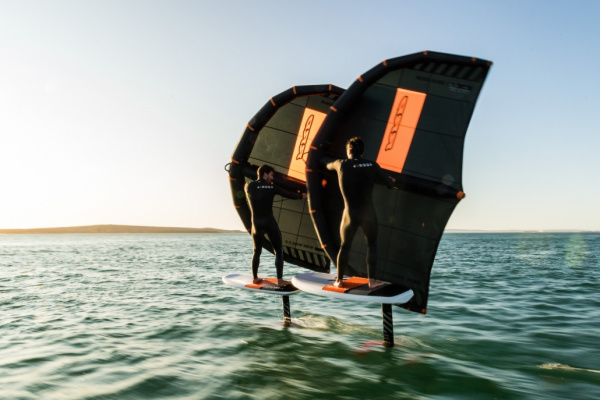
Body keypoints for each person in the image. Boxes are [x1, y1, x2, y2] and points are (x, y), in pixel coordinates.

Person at [324, 137, 396, 289]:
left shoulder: (341, 164)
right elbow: (390, 185)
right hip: (368, 214)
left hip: (350, 214)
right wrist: (391, 180)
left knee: (345, 246)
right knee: (372, 246)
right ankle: (372, 281)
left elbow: (326, 164)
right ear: (362, 152)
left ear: (349, 151)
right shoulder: (372, 165)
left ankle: (339, 281)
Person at [245, 164, 305, 285]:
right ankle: (280, 280)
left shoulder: (249, 186)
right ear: (265, 174)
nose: (272, 178)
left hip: (256, 224)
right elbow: (288, 194)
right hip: (269, 222)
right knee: (278, 251)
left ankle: (255, 278)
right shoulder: (272, 187)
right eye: (271, 175)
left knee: (256, 251)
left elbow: (256, 191)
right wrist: (301, 196)